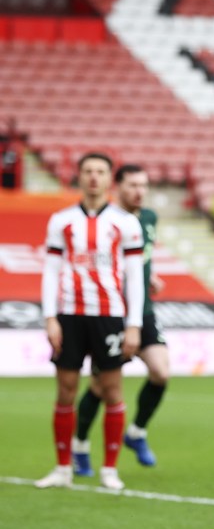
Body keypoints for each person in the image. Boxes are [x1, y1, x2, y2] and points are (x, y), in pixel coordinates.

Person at [35, 152, 145, 491]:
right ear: (78, 177)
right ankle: (62, 467)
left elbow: (134, 277)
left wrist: (133, 324)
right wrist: (50, 317)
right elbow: (51, 271)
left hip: (109, 315)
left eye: (100, 171)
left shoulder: (125, 222)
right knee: (65, 390)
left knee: (112, 390)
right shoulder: (61, 220)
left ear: (109, 178)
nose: (93, 177)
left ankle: (109, 469)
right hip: (69, 315)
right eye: (87, 171)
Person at [71, 163, 170, 474]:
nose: (139, 192)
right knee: (102, 386)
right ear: (118, 187)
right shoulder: (107, 221)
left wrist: (149, 277)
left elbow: (139, 259)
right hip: (112, 313)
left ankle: (136, 433)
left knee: (161, 372)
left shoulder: (150, 218)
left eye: (144, 185)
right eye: (132, 186)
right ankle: (80, 445)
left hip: (144, 311)